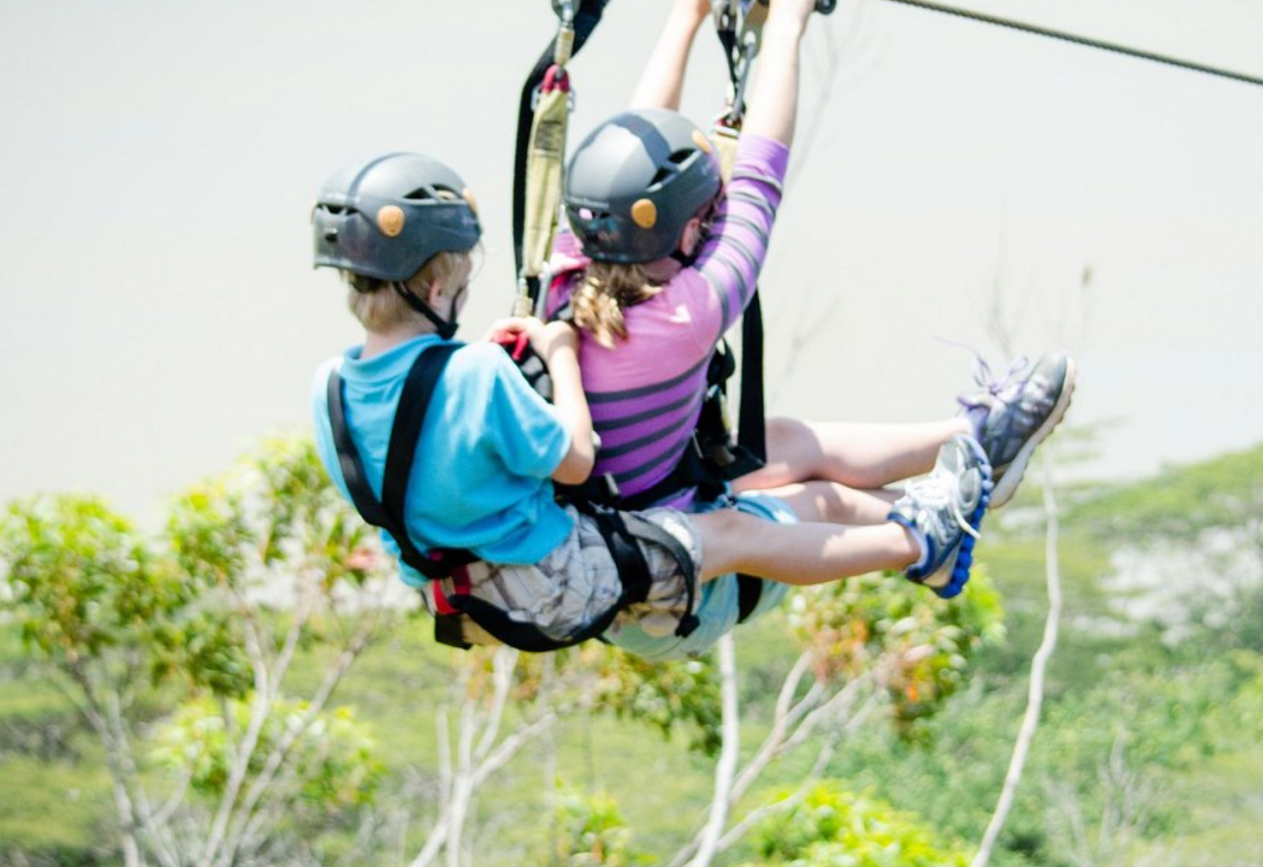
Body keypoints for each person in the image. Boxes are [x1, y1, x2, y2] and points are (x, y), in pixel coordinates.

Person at [545, 0, 1075, 659]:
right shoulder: (688, 313)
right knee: (818, 497)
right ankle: (941, 528)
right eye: (703, 214)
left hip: (624, 539)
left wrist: (687, 13)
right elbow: (761, 169)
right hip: (680, 592)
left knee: (783, 440)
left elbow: (634, 141)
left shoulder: (566, 274)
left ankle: (972, 438)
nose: (712, 220)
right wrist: (788, 22)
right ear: (682, 232)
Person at [308, 150, 994, 654]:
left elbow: (433, 465)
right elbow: (575, 461)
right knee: (733, 533)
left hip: (465, 597)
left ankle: (947, 493)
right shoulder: (477, 373)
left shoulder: (330, 388)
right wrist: (562, 357)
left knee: (780, 487)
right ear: (434, 290)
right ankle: (918, 539)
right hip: (551, 581)